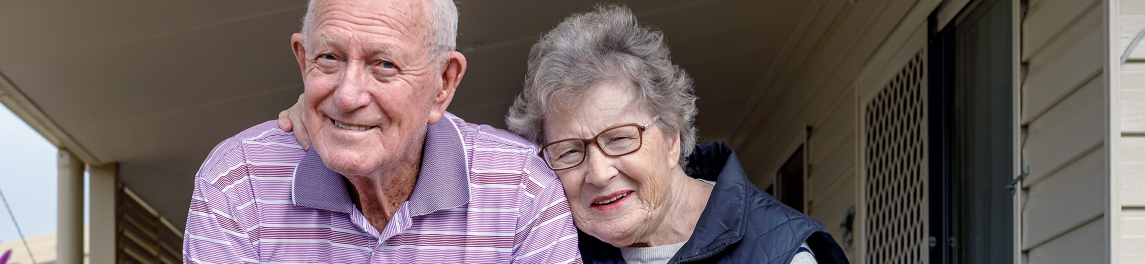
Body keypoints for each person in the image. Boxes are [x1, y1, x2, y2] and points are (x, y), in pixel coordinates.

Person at [280, 4, 849, 263]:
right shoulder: (558, 241)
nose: (598, 172)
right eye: (570, 151)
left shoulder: (781, 255)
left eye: (621, 138)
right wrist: (345, 121)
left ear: (674, 134)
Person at [181, 0, 582, 263]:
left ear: (444, 82)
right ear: (303, 60)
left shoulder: (520, 189)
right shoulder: (238, 181)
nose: (348, 95)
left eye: (384, 64)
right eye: (329, 58)